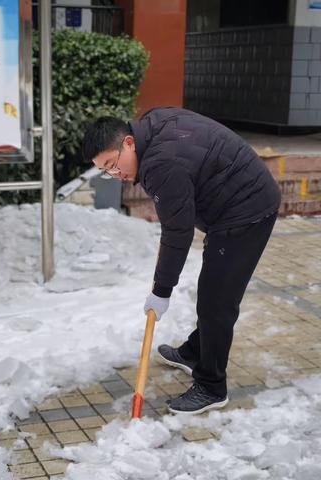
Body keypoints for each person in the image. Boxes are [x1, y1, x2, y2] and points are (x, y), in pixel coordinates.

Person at [82, 107, 281, 415]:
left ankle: (212, 386)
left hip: (247, 209)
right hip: (232, 198)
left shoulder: (161, 164)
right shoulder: (151, 126)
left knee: (217, 301)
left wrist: (161, 291)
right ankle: (195, 352)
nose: (115, 174)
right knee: (214, 290)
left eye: (112, 164)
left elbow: (177, 233)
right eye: (105, 171)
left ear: (130, 143)